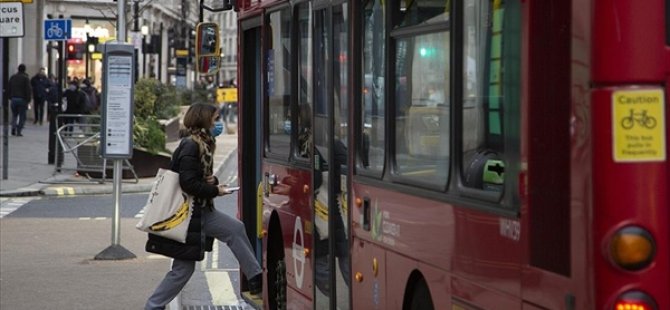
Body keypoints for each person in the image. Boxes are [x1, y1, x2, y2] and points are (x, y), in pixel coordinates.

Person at [145, 103, 262, 310]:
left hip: (200, 212)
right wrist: (216, 190)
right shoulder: (192, 145)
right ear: (204, 120)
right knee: (183, 269)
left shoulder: (202, 143)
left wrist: (213, 181)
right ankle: (154, 306)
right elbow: (188, 183)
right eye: (215, 119)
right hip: (188, 215)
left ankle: (255, 278)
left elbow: (196, 177)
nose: (218, 124)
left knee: (234, 229)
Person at [7, 64, 32, 136]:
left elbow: (9, 87)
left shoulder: (13, 77)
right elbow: (28, 90)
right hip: (22, 99)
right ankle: (19, 130)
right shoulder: (25, 78)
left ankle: (13, 128)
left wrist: (10, 97)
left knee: (14, 115)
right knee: (22, 116)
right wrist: (28, 100)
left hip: (14, 98)